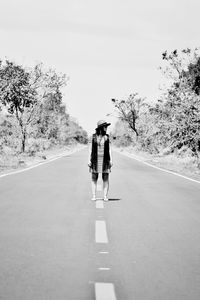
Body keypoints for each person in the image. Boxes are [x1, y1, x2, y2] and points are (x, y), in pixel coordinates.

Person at [88, 120, 113, 201]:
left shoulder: (107, 137)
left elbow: (109, 150)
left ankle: (105, 196)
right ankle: (94, 196)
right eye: (105, 127)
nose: (106, 128)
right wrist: (89, 160)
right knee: (94, 178)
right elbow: (90, 149)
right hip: (95, 160)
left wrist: (111, 160)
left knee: (105, 178)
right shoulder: (93, 137)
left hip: (105, 160)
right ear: (101, 128)